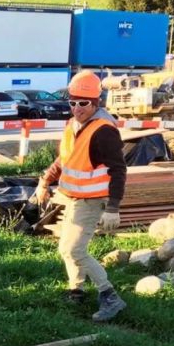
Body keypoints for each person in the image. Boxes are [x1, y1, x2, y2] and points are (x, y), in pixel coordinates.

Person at [35, 71, 128, 322]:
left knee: (74, 249)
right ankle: (76, 290)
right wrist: (45, 180)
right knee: (67, 249)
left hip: (92, 199)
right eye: (73, 103)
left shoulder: (104, 131)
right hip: (73, 197)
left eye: (83, 103)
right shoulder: (74, 124)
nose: (77, 108)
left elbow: (118, 169)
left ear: (96, 103)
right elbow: (64, 159)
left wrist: (113, 208)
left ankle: (110, 296)